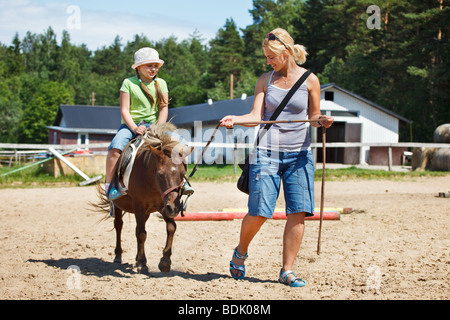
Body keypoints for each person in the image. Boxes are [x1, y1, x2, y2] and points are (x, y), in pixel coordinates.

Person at [220, 28, 334, 287]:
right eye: (266, 57)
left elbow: (314, 117)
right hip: (266, 153)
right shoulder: (265, 80)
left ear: (286, 53)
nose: (268, 61)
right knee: (259, 211)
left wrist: (323, 120)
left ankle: (287, 270)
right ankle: (240, 252)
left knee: (298, 212)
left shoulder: (310, 80)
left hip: (300, 155)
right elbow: (255, 116)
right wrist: (235, 119)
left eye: (271, 56)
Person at [105, 47, 193, 200]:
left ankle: (182, 181)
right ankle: (111, 186)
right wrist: (134, 127)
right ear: (138, 67)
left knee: (182, 146)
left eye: (155, 66)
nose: (153, 69)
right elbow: (124, 110)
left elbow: (164, 107)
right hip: (131, 125)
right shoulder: (128, 83)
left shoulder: (161, 83)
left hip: (155, 126)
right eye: (149, 65)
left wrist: (158, 125)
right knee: (115, 148)